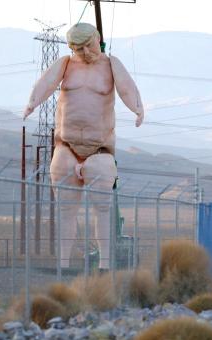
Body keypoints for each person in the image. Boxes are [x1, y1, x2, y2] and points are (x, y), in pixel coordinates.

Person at [23, 23, 144, 270]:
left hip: (99, 150)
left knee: (103, 209)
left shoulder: (111, 64)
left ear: (97, 39)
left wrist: (138, 109)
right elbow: (44, 84)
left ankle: (105, 265)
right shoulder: (66, 64)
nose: (84, 52)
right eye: (78, 48)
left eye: (87, 46)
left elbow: (127, 88)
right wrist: (32, 104)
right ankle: (64, 265)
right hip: (66, 147)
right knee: (66, 210)